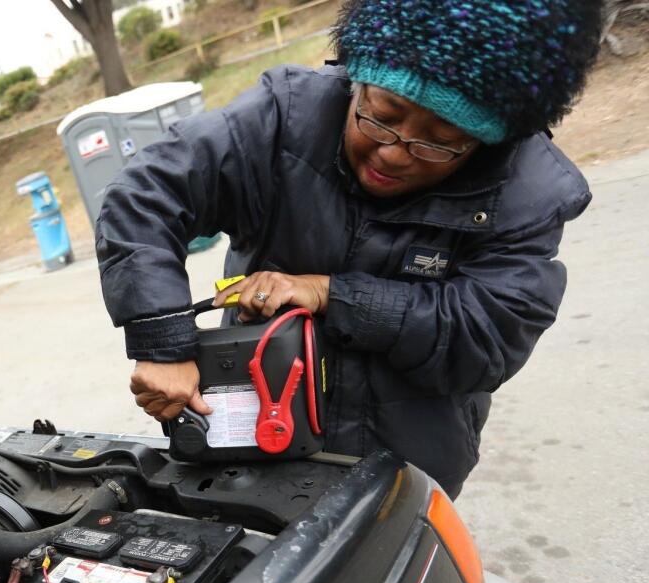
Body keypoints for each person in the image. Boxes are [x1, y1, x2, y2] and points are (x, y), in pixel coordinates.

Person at [95, 0, 604, 498]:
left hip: (410, 468)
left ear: (486, 141)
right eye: (382, 115)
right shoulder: (283, 118)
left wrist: (331, 295)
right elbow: (147, 194)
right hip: (257, 447)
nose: (393, 151)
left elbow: (484, 337)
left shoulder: (527, 193)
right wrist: (161, 341)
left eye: (438, 141)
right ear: (356, 81)